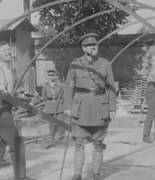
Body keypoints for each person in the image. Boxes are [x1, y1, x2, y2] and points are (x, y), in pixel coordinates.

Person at [63, 33, 117, 180]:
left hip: (100, 107)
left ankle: (96, 174)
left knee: (98, 143)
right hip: (81, 108)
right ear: (83, 48)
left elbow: (111, 87)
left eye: (94, 45)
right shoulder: (75, 64)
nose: (92, 47)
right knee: (79, 143)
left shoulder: (105, 64)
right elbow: (69, 87)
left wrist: (112, 108)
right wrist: (67, 106)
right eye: (88, 45)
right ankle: (77, 174)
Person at [0, 41, 35, 180]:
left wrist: (20, 97)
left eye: (9, 50)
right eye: (4, 50)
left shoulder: (8, 70)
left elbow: (9, 91)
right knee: (18, 144)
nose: (8, 52)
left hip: (2, 108)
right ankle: (20, 177)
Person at [42, 69, 65, 149]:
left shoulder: (61, 85)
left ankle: (62, 134)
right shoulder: (45, 85)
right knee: (51, 125)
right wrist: (46, 106)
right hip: (49, 106)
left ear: (56, 76)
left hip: (59, 106)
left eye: (53, 75)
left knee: (60, 122)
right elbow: (44, 97)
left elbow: (64, 96)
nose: (51, 77)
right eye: (50, 75)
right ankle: (52, 141)